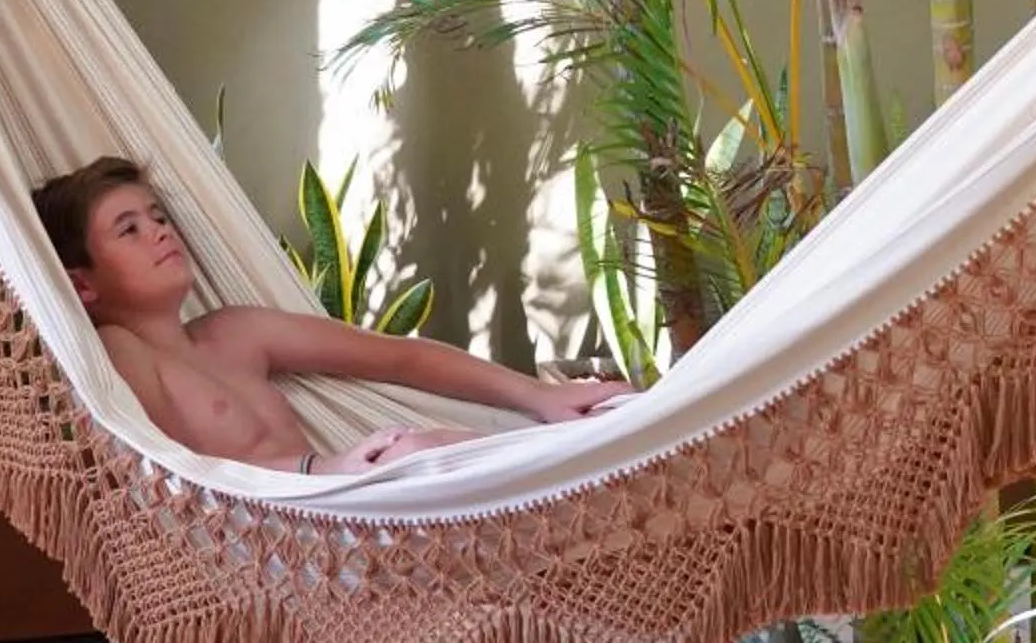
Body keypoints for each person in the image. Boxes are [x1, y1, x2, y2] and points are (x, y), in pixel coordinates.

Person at [33, 154, 629, 477]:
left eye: (158, 216)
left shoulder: (232, 333)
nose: (160, 232)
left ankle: (599, 453)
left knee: (614, 409)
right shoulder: (118, 353)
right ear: (82, 284)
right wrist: (326, 466)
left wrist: (536, 396)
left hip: (342, 504)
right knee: (413, 456)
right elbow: (175, 476)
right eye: (128, 229)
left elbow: (400, 356)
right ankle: (592, 467)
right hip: (277, 537)